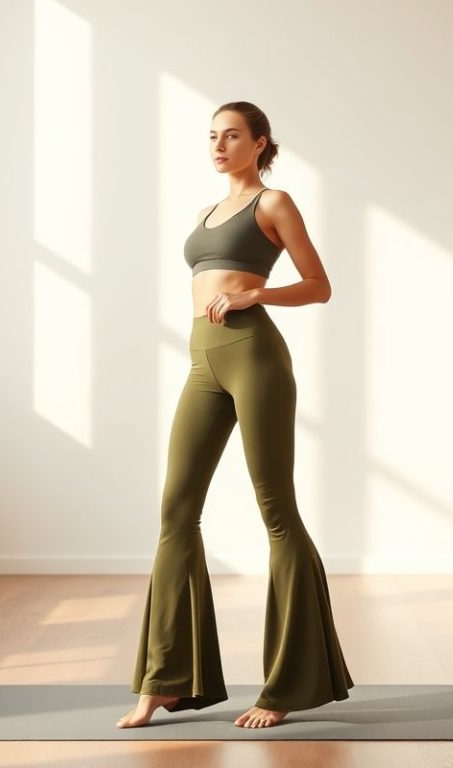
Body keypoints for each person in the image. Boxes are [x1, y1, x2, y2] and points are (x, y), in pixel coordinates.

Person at [117, 101, 354, 729]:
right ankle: (164, 681)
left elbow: (319, 284)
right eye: (213, 137)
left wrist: (256, 292)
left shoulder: (273, 204)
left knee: (276, 511)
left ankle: (286, 687)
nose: (219, 146)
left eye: (232, 136)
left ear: (259, 143)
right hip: (204, 362)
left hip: (254, 356)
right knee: (176, 510)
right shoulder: (205, 212)